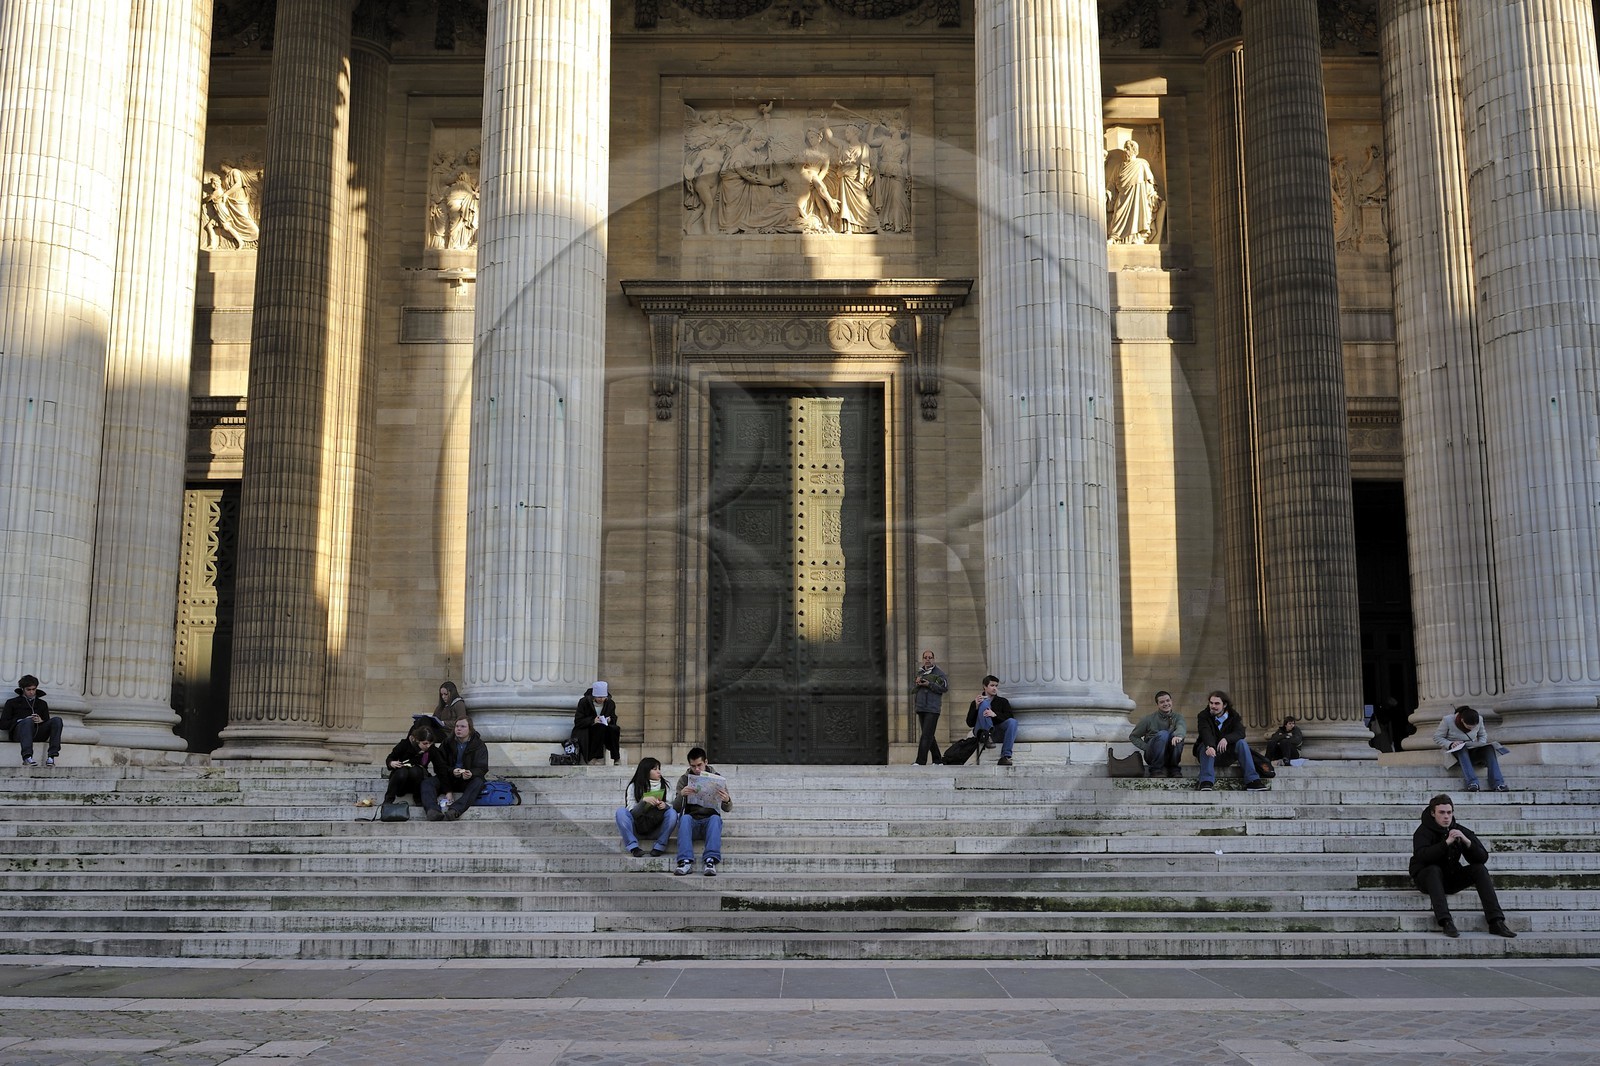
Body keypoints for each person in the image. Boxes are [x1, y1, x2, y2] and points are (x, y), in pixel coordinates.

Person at [1410, 793, 1516, 938]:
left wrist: (1467, 842)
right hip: (1427, 880)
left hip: (1451, 879)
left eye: (1449, 812)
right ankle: (1446, 921)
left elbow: (1482, 857)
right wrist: (1445, 843)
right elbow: (1422, 856)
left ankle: (1496, 921)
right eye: (1442, 812)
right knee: (1433, 870)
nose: (1446, 817)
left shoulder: (1458, 829)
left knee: (1479, 869)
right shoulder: (1422, 831)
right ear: (1433, 813)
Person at [1193, 690, 1268, 791]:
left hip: (1226, 753)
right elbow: (1205, 732)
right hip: (1208, 753)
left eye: (1217, 703)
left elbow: (1240, 733)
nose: (1213, 706)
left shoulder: (1233, 716)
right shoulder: (1203, 715)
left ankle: (1252, 780)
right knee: (1205, 746)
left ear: (1224, 705)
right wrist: (1210, 746)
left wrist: (1226, 739)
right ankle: (1206, 781)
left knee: (1241, 743)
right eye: (1211, 703)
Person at [673, 747, 732, 876]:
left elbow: (727, 809)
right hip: (692, 821)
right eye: (693, 766)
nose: (697, 769)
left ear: (706, 762)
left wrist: (726, 800)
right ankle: (685, 861)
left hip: (710, 822)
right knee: (684, 818)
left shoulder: (717, 778)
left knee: (716, 819)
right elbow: (676, 808)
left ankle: (710, 861)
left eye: (699, 765)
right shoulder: (684, 779)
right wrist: (682, 794)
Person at [423, 715, 487, 821]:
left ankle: (455, 810)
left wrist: (471, 773)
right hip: (449, 777)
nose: (458, 729)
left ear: (470, 729)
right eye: (457, 726)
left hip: (467, 779)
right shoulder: (447, 742)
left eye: (463, 726)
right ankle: (432, 810)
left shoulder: (479, 745)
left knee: (478, 782)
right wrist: (451, 771)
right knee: (427, 783)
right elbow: (440, 765)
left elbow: (482, 767)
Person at [615, 757, 680, 858]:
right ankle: (633, 847)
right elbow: (631, 813)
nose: (659, 772)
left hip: (657, 827)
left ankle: (659, 846)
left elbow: (672, 807)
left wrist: (665, 806)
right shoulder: (634, 786)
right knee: (620, 812)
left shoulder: (666, 785)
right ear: (645, 771)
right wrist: (643, 802)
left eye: (659, 768)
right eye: (655, 769)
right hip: (638, 827)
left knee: (672, 813)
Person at [1434, 705, 1509, 793]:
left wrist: (1481, 744)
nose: (1472, 729)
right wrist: (1451, 744)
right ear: (1462, 720)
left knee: (1489, 748)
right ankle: (1472, 783)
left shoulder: (1479, 719)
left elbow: (1482, 735)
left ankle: (1498, 784)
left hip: (1472, 749)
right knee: (1462, 748)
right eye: (1469, 727)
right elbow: (1437, 737)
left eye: (1474, 727)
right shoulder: (1448, 720)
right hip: (1456, 753)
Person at [1107, 139, 1162, 244]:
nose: (1125, 150)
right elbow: (1111, 184)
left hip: (1138, 196)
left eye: (1127, 148)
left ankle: (1137, 238)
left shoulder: (1141, 164)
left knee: (1137, 215)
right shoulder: (1118, 167)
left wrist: (1153, 195)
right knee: (1118, 215)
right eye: (1124, 148)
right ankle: (1114, 237)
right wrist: (1107, 193)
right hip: (1123, 197)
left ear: (1134, 150)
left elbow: (1149, 183)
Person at [3, 675, 62, 767]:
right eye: (28, 690)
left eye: (33, 689)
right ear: (22, 689)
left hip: (38, 733)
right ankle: (27, 757)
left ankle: (51, 756)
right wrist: (21, 721)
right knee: (28, 722)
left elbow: (48, 722)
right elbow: (3, 724)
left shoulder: (42, 704)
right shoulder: (12, 702)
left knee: (57, 720)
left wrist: (41, 721)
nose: (31, 692)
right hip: (20, 734)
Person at [382, 724, 444, 807]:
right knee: (402, 772)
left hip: (418, 778)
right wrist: (391, 763)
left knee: (416, 771)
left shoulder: (431, 749)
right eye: (425, 743)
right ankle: (388, 800)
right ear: (417, 740)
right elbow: (391, 757)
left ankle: (418, 799)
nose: (428, 746)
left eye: (430, 743)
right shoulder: (405, 744)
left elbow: (440, 767)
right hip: (402, 778)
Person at [1129, 690, 1185, 777]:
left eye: (1168, 700)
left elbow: (1181, 726)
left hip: (1170, 754)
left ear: (1171, 701)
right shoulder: (1148, 719)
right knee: (1163, 734)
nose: (1166, 704)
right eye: (1162, 702)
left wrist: (1178, 736)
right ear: (1157, 705)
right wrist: (1147, 747)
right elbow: (1133, 736)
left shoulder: (1178, 717)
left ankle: (1174, 769)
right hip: (1153, 755)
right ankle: (1156, 769)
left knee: (1178, 738)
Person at [966, 675, 1018, 766]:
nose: (995, 688)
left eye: (996, 686)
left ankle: (1005, 756)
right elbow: (970, 723)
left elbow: (1009, 716)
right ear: (985, 686)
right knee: (983, 703)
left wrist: (995, 715)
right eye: (992, 685)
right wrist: (976, 708)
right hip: (980, 731)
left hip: (995, 732)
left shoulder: (1002, 701)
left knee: (1013, 722)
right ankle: (987, 735)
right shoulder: (976, 702)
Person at [912, 649, 949, 766]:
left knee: (926, 735)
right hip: (921, 708)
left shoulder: (939, 673)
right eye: (925, 657)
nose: (927, 660)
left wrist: (929, 684)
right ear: (922, 659)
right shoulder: (920, 672)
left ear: (933, 659)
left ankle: (920, 761)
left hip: (932, 709)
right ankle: (937, 760)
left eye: (930, 657)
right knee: (929, 735)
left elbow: (944, 688)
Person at [573, 681, 621, 766]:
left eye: (603, 697)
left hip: (605, 727)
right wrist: (592, 721)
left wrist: (610, 720)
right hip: (587, 728)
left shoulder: (610, 703)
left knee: (615, 729)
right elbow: (578, 720)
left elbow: (614, 717)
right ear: (594, 696)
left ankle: (616, 757)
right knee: (599, 728)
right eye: (599, 697)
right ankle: (594, 757)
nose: (601, 699)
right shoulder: (584, 702)